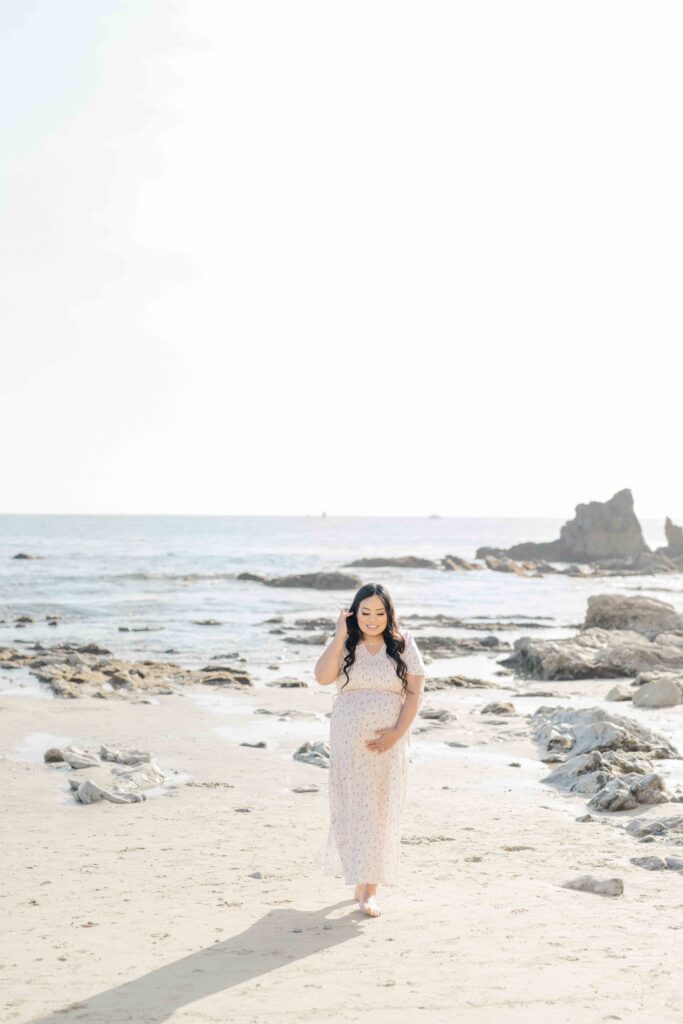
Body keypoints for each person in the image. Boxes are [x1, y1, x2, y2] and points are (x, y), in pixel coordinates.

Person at [313, 582, 427, 918]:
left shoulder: (404, 645)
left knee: (378, 812)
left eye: (380, 612)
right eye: (365, 612)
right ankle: (358, 878)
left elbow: (414, 694)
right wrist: (338, 636)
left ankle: (370, 890)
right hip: (349, 745)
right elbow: (321, 677)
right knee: (352, 809)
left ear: (389, 614)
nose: (372, 619)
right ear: (354, 613)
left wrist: (396, 734)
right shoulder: (346, 644)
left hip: (386, 746)